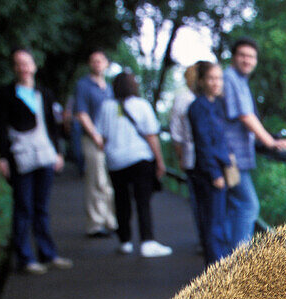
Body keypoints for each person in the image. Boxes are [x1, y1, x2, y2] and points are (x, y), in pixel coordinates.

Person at [0, 48, 72, 275]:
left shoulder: (44, 93)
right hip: (20, 156)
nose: (24, 68)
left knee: (41, 207)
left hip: (45, 154)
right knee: (23, 206)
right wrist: (2, 157)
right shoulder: (6, 93)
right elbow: (0, 126)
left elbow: (53, 125)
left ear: (34, 66)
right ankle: (25, 258)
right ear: (14, 68)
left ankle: (48, 254)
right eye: (19, 63)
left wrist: (58, 153)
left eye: (27, 63)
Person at [222, 37, 286, 247]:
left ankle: (228, 262)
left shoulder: (240, 80)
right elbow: (245, 116)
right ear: (234, 57)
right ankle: (239, 265)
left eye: (251, 56)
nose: (247, 60)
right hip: (231, 157)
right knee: (247, 205)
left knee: (235, 205)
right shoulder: (230, 78)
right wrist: (270, 142)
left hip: (235, 156)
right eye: (242, 55)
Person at [95, 71, 172, 258]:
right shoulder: (142, 105)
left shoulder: (106, 107)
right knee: (142, 201)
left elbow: (101, 136)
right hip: (140, 159)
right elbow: (151, 135)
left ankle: (125, 241)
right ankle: (147, 241)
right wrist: (159, 161)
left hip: (115, 161)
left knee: (121, 201)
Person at [187, 61, 234, 264]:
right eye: (212, 78)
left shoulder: (215, 104)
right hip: (208, 174)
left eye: (219, 78)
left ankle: (221, 266)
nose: (216, 83)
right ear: (202, 81)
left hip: (220, 169)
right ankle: (216, 271)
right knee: (212, 223)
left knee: (220, 222)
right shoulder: (199, 107)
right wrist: (214, 173)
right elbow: (203, 143)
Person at [73, 50, 118, 238]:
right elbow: (81, 112)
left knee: (107, 182)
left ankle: (110, 219)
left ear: (106, 64)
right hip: (92, 139)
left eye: (100, 60)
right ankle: (95, 223)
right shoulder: (83, 85)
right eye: (93, 61)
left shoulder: (108, 88)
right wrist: (95, 135)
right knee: (96, 180)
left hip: (108, 140)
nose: (97, 64)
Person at [169, 64, 205, 251]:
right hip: (192, 157)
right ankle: (203, 240)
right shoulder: (184, 98)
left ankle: (206, 239)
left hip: (201, 156)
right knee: (198, 200)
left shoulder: (205, 97)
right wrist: (181, 155)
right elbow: (176, 132)